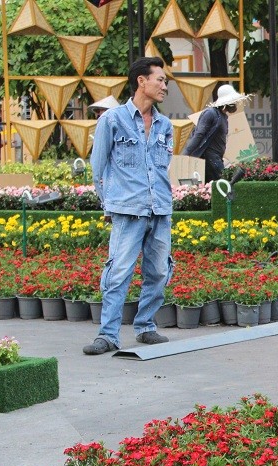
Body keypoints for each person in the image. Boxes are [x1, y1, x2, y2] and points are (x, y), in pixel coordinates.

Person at [83, 56, 174, 356]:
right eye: (159, 79)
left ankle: (145, 326)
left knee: (159, 272)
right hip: (127, 211)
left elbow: (161, 169)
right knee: (118, 272)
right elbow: (98, 170)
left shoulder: (165, 124)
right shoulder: (112, 120)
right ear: (141, 81)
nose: (164, 85)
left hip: (159, 210)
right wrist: (108, 206)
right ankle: (108, 335)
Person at [183, 84, 250, 182]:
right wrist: (186, 155)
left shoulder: (223, 116)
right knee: (223, 186)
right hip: (210, 159)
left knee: (219, 187)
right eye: (233, 101)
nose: (236, 103)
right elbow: (199, 135)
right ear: (227, 102)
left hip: (216, 159)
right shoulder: (211, 114)